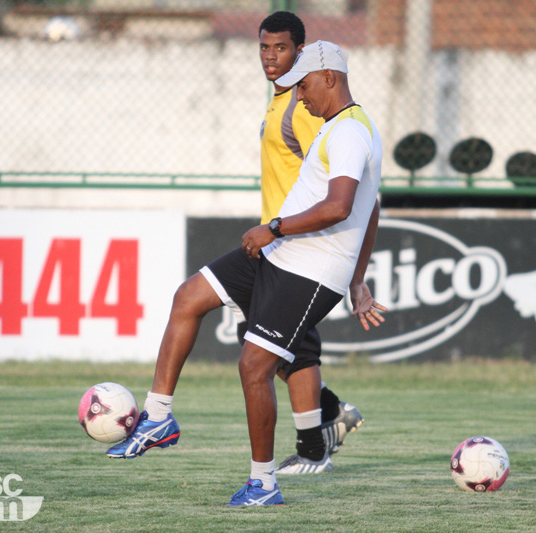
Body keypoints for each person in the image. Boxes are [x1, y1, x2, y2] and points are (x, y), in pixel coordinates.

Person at [107, 39, 385, 506]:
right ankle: (157, 417)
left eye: (304, 86)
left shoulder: (350, 132)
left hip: (310, 270)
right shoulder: (336, 127)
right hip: (283, 253)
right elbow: (369, 206)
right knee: (188, 297)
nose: (299, 96)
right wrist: (358, 277)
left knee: (254, 367)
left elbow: (341, 208)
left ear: (330, 78)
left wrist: (274, 227)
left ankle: (264, 483)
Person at [256, 10, 366, 475]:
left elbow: (344, 184)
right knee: (277, 350)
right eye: (264, 47)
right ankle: (330, 416)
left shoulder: (307, 110)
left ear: (301, 55)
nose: (270, 57)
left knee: (277, 350)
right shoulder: (284, 101)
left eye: (281, 48)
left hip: (297, 248)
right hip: (275, 241)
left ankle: (317, 439)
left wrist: (283, 229)